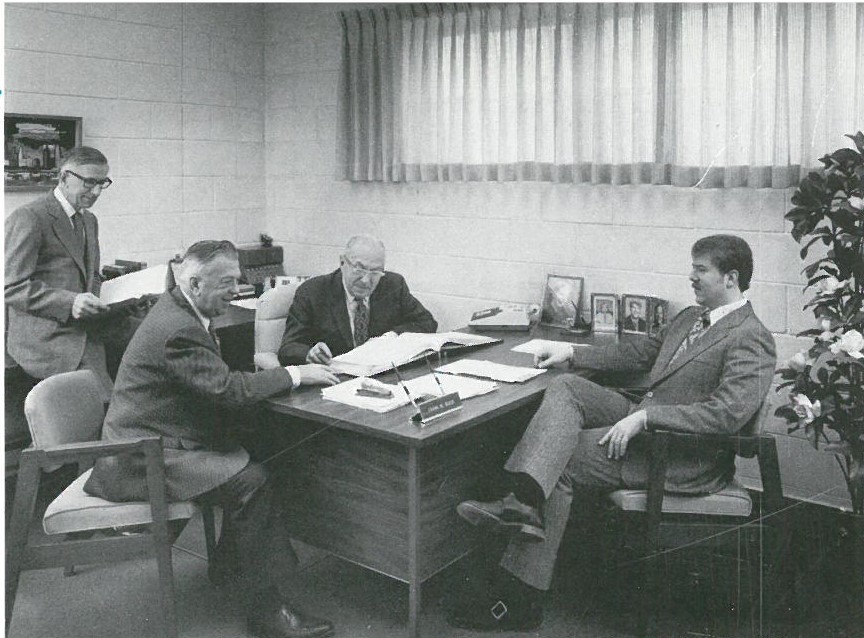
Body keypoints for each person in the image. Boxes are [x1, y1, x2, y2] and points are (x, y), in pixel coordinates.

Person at [449, 235, 776, 631]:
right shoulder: (690, 317)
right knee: (567, 387)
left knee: (562, 459)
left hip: (680, 455)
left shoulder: (752, 336)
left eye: (700, 269)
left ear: (731, 277)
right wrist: (571, 353)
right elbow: (638, 354)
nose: (690, 277)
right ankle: (526, 500)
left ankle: (519, 600)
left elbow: (726, 415)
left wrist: (647, 419)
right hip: (645, 420)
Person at [84, 240, 339, 638]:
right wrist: (296, 374)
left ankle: (231, 564)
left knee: (267, 448)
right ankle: (266, 611)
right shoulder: (179, 328)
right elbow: (226, 391)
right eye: (227, 284)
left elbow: (213, 385)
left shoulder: (181, 307)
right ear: (197, 283)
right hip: (141, 455)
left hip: (162, 435)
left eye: (236, 281)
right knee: (251, 480)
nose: (236, 292)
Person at [5, 146, 115, 401]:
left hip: (82, 330)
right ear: (64, 177)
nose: (96, 192)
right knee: (103, 404)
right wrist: (71, 302)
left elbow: (91, 276)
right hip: (47, 339)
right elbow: (10, 287)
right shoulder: (30, 217)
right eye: (89, 183)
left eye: (102, 183)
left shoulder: (89, 220)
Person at [277, 235, 437, 365]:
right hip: (333, 380)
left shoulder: (393, 285)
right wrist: (310, 353)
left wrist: (391, 336)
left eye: (375, 272)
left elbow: (427, 323)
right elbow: (289, 348)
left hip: (382, 374)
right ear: (342, 262)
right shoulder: (313, 292)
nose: (366, 280)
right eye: (359, 269)